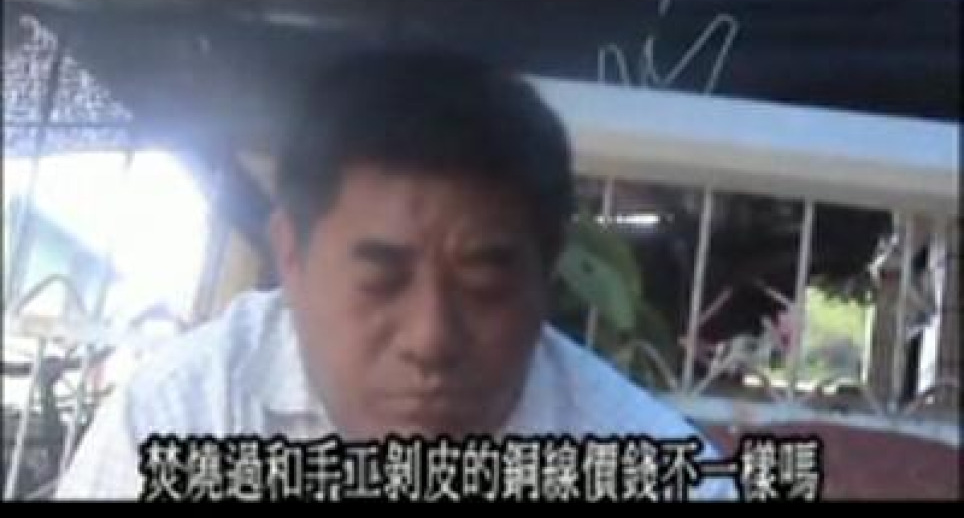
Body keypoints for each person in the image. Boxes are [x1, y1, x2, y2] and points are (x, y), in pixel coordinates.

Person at [56, 46, 734, 500]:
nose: (430, 339)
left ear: (547, 270)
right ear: (290, 255)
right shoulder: (179, 420)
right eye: (380, 281)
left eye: (484, 284)